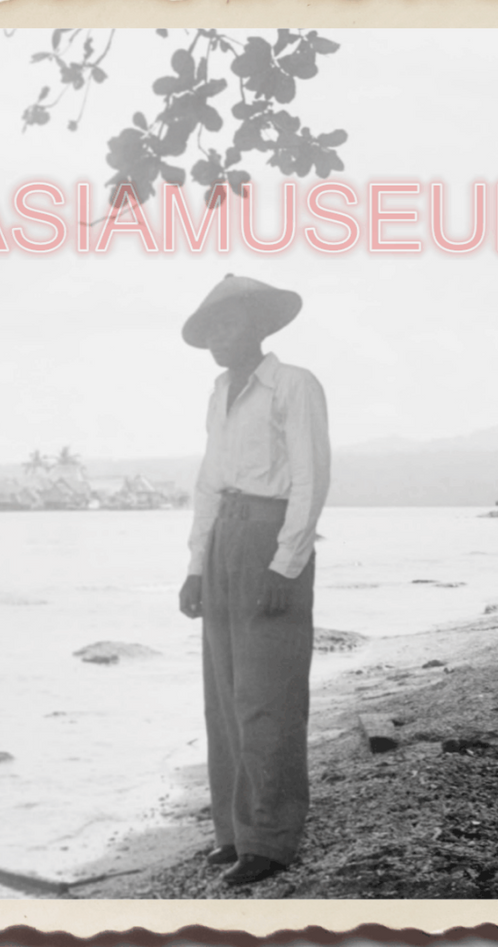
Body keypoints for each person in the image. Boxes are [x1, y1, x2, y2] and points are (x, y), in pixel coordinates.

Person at [177, 274, 331, 886]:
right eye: (209, 328)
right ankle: (233, 832)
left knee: (269, 697)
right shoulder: (219, 392)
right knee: (223, 696)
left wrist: (285, 563)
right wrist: (194, 567)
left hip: (271, 539)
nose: (218, 336)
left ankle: (270, 839)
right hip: (223, 540)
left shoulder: (294, 385)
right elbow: (209, 482)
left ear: (258, 326)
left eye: (228, 324)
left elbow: (310, 479)